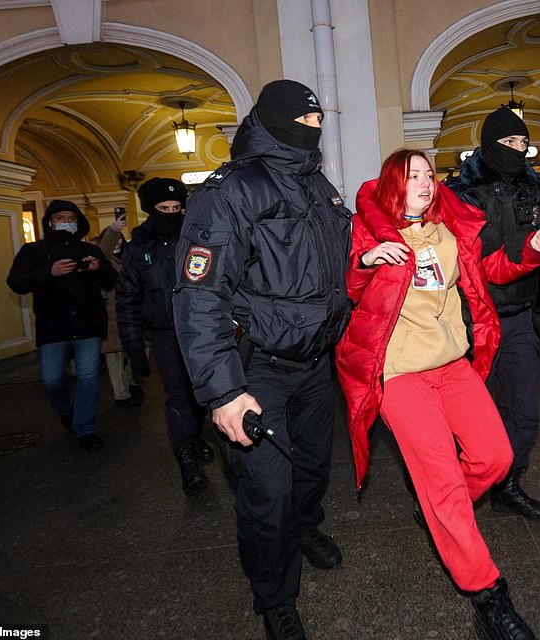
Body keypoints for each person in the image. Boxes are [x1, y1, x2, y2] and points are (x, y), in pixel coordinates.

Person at [336, 149, 540, 640]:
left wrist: (534, 248)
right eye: (412, 175)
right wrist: (368, 259)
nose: (424, 182)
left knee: (496, 458)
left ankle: (439, 509)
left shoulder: (448, 232)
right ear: (393, 183)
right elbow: (348, 287)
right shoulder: (368, 230)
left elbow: (491, 272)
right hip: (398, 375)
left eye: (429, 174)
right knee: (443, 486)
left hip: (452, 366)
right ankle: (488, 596)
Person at [172, 80, 350, 640]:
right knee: (266, 491)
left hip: (315, 363)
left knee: (313, 471)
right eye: (304, 120)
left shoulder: (317, 185)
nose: (313, 129)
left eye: (319, 121)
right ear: (271, 121)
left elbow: (334, 261)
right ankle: (275, 598)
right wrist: (223, 391)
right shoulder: (229, 192)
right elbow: (198, 294)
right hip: (256, 371)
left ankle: (304, 528)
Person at [445, 107, 540, 521]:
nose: (518, 150)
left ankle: (508, 484)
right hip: (471, 319)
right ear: (489, 146)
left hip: (520, 316)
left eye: (523, 143)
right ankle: (454, 494)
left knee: (523, 409)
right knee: (469, 416)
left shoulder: (539, 186)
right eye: (509, 143)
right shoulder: (459, 193)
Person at [116, 177, 214, 497]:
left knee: (201, 395)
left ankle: (194, 435)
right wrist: (133, 344)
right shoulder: (137, 249)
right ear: (150, 209)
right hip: (163, 334)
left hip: (200, 330)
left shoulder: (197, 237)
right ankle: (187, 463)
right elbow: (127, 297)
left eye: (176, 207)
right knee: (178, 397)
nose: (171, 213)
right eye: (163, 208)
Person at [6, 200, 117, 450]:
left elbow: (111, 281)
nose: (66, 221)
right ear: (50, 221)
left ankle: (86, 428)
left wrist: (97, 269)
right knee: (51, 380)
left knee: (88, 377)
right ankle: (66, 410)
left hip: (88, 324)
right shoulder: (32, 251)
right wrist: (50, 272)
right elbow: (16, 282)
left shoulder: (90, 249)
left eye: (71, 217)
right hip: (53, 327)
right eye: (60, 217)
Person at [91, 211, 143, 407]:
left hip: (131, 312)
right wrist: (113, 230)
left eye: (120, 240)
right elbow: (102, 252)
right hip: (110, 314)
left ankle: (130, 380)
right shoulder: (101, 260)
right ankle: (121, 394)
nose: (118, 243)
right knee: (114, 355)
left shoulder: (129, 259)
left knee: (138, 350)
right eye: (114, 240)